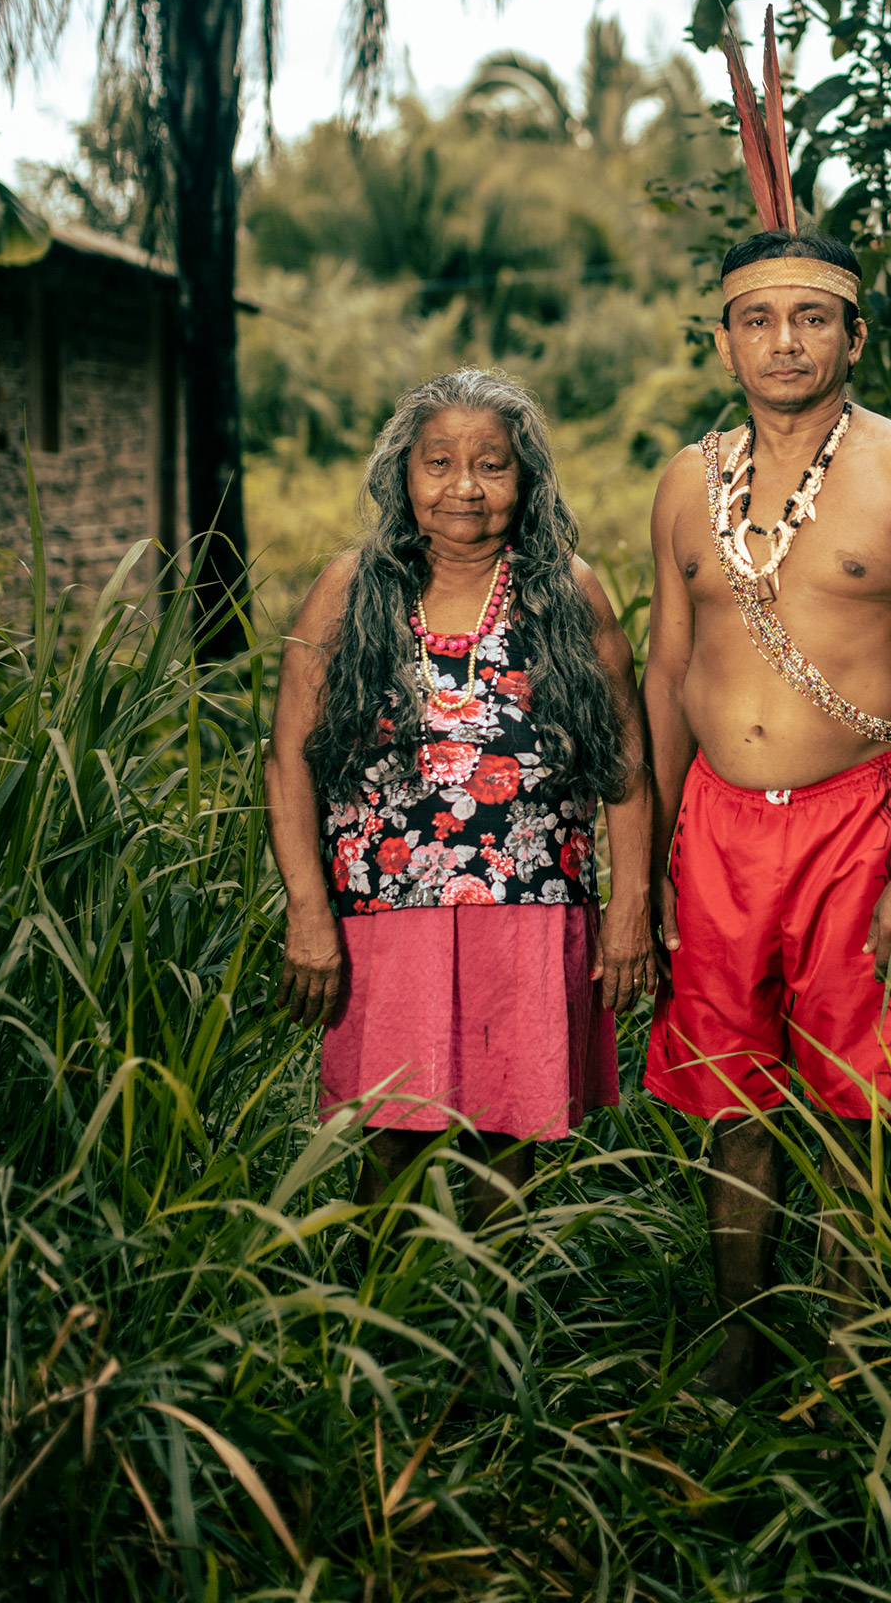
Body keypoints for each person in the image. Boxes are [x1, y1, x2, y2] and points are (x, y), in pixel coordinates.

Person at [640, 18, 891, 1402]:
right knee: (732, 1098)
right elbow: (668, 675)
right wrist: (653, 862)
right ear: (724, 337)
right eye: (757, 317)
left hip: (859, 822)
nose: (784, 339)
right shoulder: (683, 480)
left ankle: (851, 1356)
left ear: (854, 329)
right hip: (717, 828)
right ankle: (737, 1339)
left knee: (855, 1103)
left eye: (812, 316)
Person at [265, 369, 654, 1230]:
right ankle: (382, 1335)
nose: (464, 488)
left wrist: (631, 910)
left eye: (492, 465)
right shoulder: (350, 587)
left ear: (528, 481)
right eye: (439, 462)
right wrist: (307, 913)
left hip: (532, 907)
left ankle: (487, 1340)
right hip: (384, 913)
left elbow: (624, 761)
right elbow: (288, 759)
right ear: (403, 473)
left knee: (507, 1141)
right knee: (392, 1138)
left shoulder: (568, 593)